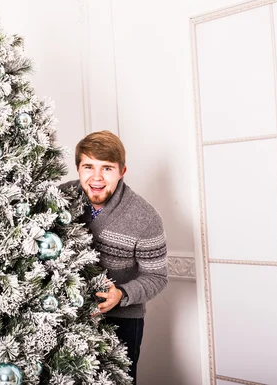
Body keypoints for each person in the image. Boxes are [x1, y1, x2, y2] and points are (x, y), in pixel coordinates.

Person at [62, 130, 168, 384]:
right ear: (78, 169)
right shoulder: (58, 200)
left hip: (121, 322)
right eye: (88, 166)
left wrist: (121, 294)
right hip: (63, 316)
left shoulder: (145, 218)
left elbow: (157, 277)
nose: (96, 177)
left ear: (122, 171)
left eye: (107, 168)